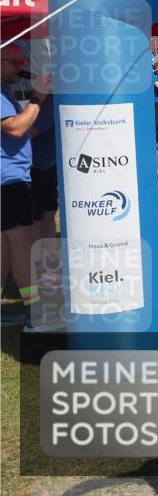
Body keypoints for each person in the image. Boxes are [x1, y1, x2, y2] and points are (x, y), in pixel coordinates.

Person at [1, 43, 49, 330]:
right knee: (23, 244)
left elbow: (25, 129)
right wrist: (39, 97)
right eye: (14, 60)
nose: (21, 65)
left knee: (7, 247)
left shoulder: (5, 92)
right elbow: (17, 128)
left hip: (11, 177)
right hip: (8, 179)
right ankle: (35, 312)